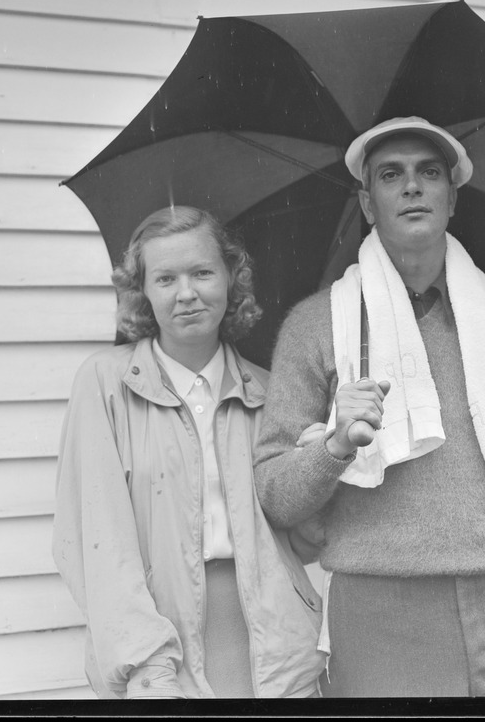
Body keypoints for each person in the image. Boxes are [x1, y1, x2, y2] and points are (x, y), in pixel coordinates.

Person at [252, 117, 485, 697]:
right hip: (383, 612)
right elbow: (275, 496)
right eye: (390, 175)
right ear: (367, 203)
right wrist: (332, 445)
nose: (412, 187)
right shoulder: (316, 325)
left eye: (429, 172)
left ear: (452, 197)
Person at [52, 206, 325, 699]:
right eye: (165, 278)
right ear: (142, 293)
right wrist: (148, 668)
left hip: (279, 652)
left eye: (202, 272)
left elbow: (307, 542)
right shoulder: (105, 386)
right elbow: (97, 542)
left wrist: (325, 454)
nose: (186, 293)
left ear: (231, 279)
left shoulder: (270, 392)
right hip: (161, 648)